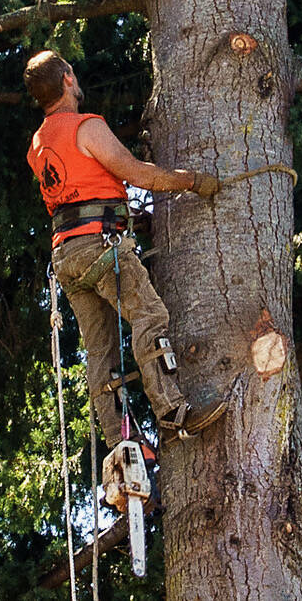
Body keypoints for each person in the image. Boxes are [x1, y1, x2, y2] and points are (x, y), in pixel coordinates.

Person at [24, 50, 227, 448]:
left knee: (100, 350)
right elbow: (134, 172)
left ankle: (119, 446)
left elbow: (80, 190)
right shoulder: (85, 126)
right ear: (67, 78)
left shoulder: (38, 144)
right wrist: (191, 181)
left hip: (66, 254)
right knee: (149, 315)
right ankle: (173, 412)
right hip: (99, 243)